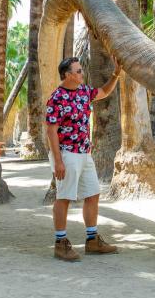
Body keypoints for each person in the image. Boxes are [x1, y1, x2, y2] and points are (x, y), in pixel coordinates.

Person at [45, 56, 122, 261]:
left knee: (93, 193)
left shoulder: (84, 92)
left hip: (84, 153)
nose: (82, 73)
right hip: (67, 153)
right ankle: (60, 243)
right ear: (67, 75)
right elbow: (51, 131)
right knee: (64, 197)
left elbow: (104, 92)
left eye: (81, 70)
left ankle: (92, 240)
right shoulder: (57, 98)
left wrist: (115, 74)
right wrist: (58, 160)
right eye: (78, 71)